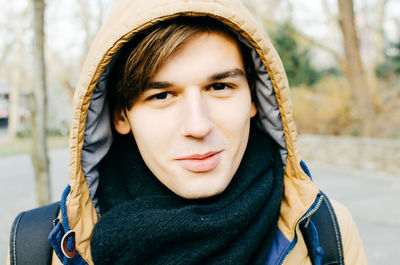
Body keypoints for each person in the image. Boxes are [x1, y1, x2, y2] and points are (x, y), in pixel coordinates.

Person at [8, 0, 368, 264]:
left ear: (255, 98)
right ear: (121, 115)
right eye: (162, 95)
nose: (198, 126)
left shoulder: (325, 230)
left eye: (220, 87)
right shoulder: (38, 248)